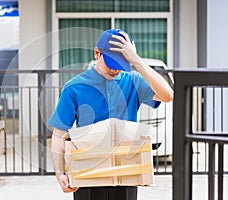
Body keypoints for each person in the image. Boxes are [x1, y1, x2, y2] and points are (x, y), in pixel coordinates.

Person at [48, 28, 174, 200]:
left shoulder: (133, 81)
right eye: (112, 63)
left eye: (121, 65)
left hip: (126, 173)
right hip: (87, 174)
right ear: (97, 54)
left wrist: (136, 60)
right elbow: (58, 134)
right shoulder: (74, 87)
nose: (116, 70)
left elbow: (167, 95)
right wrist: (60, 173)